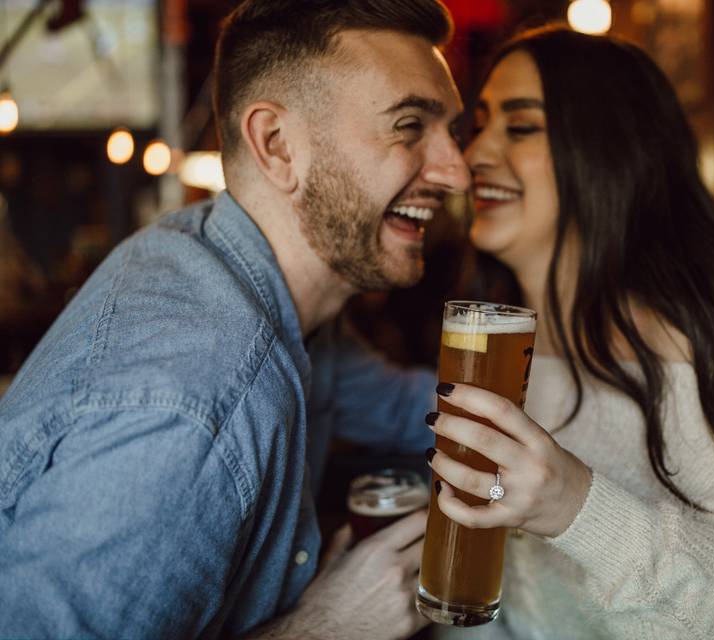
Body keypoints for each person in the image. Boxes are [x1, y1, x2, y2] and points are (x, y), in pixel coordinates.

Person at [0, 1, 470, 638]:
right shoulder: (194, 402)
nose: (456, 171)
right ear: (277, 146)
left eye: (451, 133)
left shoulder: (261, 286)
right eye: (409, 126)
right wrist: (327, 628)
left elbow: (403, 405)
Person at [425, 26, 714, 639]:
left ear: (611, 151)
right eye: (480, 127)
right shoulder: (498, 351)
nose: (473, 157)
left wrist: (578, 506)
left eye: (520, 127)